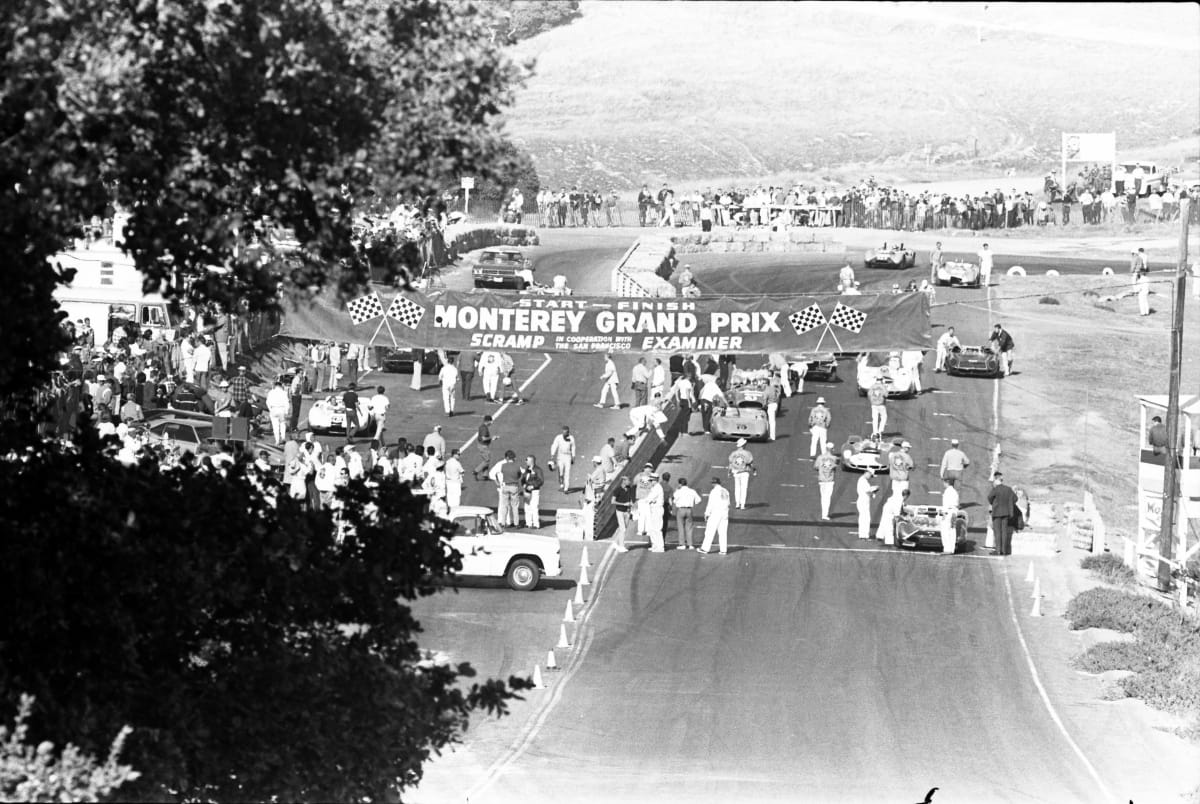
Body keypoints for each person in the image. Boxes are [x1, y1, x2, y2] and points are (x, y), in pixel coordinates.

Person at [987, 472, 1019, 556]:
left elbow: (989, 497)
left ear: (996, 479)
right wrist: (1009, 503)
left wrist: (993, 503)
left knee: (997, 531)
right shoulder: (1008, 489)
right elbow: (1015, 498)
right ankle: (1004, 550)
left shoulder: (996, 489)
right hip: (1006, 512)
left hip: (997, 512)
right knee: (1004, 531)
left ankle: (998, 550)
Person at [489, 449, 522, 528]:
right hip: (512, 486)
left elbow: (491, 474)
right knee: (513, 505)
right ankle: (511, 522)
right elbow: (521, 472)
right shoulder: (513, 465)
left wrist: (497, 482)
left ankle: (503, 522)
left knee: (503, 505)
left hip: (504, 486)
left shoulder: (501, 464)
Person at [698, 477, 731, 555]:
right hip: (725, 512)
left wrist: (707, 513)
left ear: (714, 483)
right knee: (723, 532)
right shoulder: (725, 491)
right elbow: (728, 503)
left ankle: (705, 548)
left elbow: (710, 504)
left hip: (716, 512)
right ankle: (723, 550)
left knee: (710, 531)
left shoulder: (714, 491)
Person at [673, 477, 702, 550]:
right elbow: (698, 500)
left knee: (681, 527)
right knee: (689, 527)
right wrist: (693, 503)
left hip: (681, 509)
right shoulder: (692, 491)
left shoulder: (678, 491)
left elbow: (674, 500)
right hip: (689, 509)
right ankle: (690, 544)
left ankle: (682, 544)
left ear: (680, 484)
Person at [813, 441, 839, 520]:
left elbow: (815, 467)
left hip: (822, 479)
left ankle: (824, 514)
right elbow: (835, 467)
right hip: (830, 480)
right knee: (827, 498)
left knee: (823, 497)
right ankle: (825, 514)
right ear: (832, 449)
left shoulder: (820, 457)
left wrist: (821, 468)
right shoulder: (834, 458)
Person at [727, 437, 755, 510]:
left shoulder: (733, 453)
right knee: (744, 488)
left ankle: (737, 503)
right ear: (743, 445)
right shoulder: (747, 453)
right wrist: (754, 470)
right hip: (744, 472)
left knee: (737, 488)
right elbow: (751, 464)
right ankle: (742, 504)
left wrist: (729, 472)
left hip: (736, 472)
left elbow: (730, 464)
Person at [549, 425, 577, 491]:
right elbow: (554, 445)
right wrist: (552, 454)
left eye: (566, 433)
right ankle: (561, 484)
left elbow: (573, 447)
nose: (564, 434)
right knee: (561, 471)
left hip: (568, 456)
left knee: (567, 472)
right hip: (560, 456)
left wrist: (573, 456)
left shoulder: (571, 438)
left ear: (568, 432)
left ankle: (566, 488)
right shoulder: (558, 437)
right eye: (563, 432)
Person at [611, 476, 635, 553]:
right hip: (620, 511)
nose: (630, 482)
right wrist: (623, 504)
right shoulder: (617, 490)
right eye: (628, 480)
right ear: (624, 481)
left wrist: (631, 503)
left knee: (624, 528)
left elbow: (630, 498)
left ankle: (615, 543)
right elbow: (613, 501)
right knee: (623, 529)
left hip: (627, 511)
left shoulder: (629, 488)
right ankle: (621, 546)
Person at [520, 455, 545, 529]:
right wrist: (524, 484)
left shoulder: (538, 470)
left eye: (527, 460)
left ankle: (536, 524)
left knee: (534, 507)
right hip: (527, 491)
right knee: (527, 507)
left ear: (531, 461)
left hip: (534, 491)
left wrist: (533, 486)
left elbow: (541, 480)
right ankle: (528, 523)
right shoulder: (527, 469)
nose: (525, 461)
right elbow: (523, 479)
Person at [643, 472, 666, 552]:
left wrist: (644, 500)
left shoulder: (657, 488)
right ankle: (655, 545)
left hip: (657, 509)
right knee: (652, 528)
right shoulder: (654, 487)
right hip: (653, 508)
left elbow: (649, 498)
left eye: (651, 480)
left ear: (655, 480)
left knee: (657, 528)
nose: (650, 482)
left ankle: (660, 547)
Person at [856, 467, 878, 540]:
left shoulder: (862, 480)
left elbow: (868, 490)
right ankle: (864, 535)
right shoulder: (863, 481)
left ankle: (863, 535)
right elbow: (868, 492)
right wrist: (874, 492)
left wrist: (873, 490)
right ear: (867, 473)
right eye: (871, 475)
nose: (870, 477)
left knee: (864, 518)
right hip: (863, 501)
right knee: (865, 519)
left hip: (863, 501)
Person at [265, 380, 289, 444]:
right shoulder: (284, 393)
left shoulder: (271, 392)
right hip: (281, 409)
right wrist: (286, 411)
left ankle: (277, 440)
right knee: (282, 424)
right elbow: (286, 402)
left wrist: (270, 409)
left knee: (275, 426)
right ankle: (283, 437)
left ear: (275, 386)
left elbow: (267, 402)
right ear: (280, 386)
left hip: (274, 409)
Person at [941, 478, 960, 555]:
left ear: (947, 483)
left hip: (948, 512)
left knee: (945, 530)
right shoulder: (955, 492)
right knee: (952, 530)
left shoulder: (947, 491)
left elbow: (946, 503)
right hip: (954, 512)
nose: (943, 484)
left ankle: (947, 549)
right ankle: (952, 549)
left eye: (944, 483)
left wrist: (944, 513)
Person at [472, 414, 495, 480]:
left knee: (486, 459)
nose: (491, 422)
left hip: (483, 445)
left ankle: (485, 475)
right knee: (487, 461)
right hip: (483, 446)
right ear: (488, 421)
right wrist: (491, 438)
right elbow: (484, 438)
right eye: (491, 421)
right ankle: (476, 471)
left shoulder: (482, 427)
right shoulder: (484, 428)